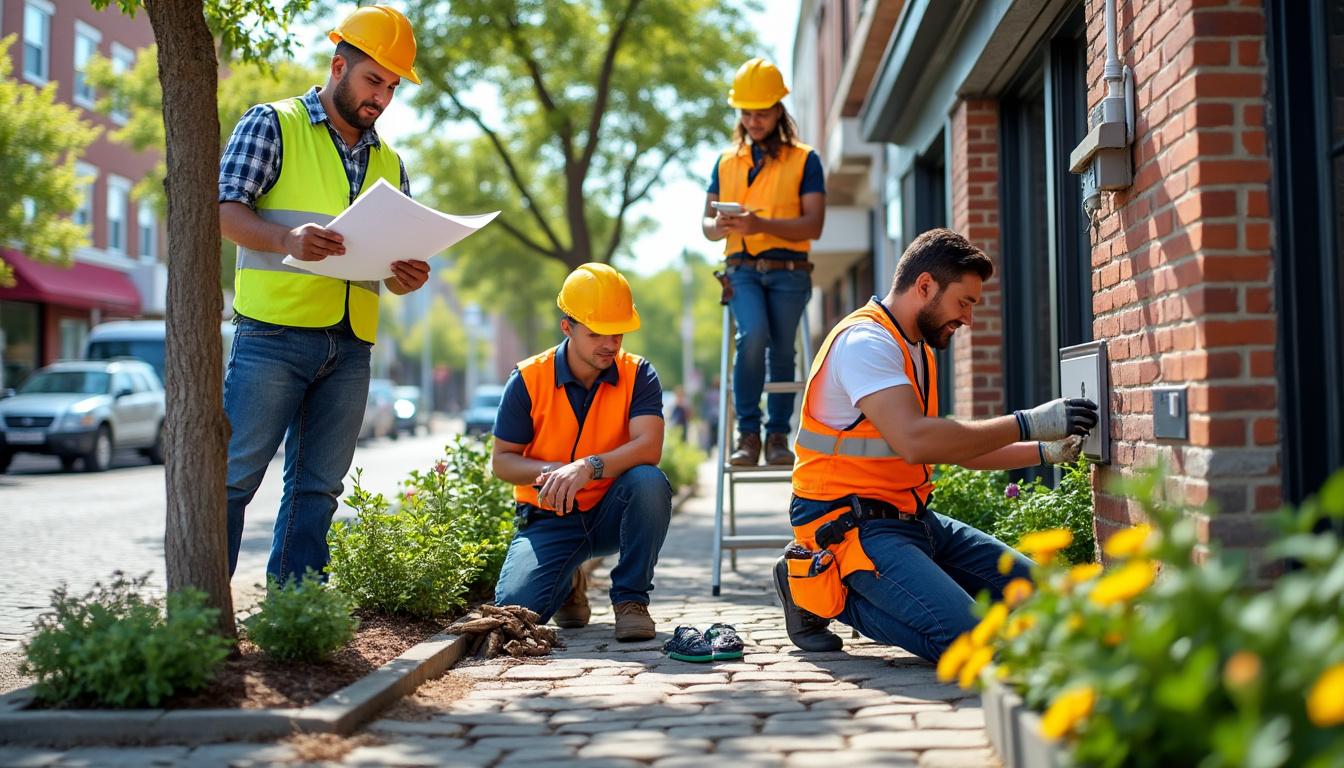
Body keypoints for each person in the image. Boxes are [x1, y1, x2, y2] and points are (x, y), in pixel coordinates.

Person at [773, 228, 1099, 661]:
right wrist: (1028, 423)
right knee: (970, 640)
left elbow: (953, 445)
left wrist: (1045, 450)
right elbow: (915, 441)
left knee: (1050, 600)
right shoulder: (865, 344)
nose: (969, 318)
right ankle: (814, 589)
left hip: (912, 520)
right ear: (925, 285)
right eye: (964, 302)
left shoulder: (917, 350)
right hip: (848, 528)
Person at [218, 5, 431, 584]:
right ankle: (204, 616)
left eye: (392, 87)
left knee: (318, 489)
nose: (381, 98)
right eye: (373, 81)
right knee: (234, 477)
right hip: (273, 334)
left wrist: (404, 276)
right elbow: (224, 211)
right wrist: (284, 238)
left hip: (351, 345)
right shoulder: (272, 124)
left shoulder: (390, 162)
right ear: (339, 67)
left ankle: (295, 611)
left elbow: (389, 264)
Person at [490, 263, 673, 642]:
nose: (610, 344)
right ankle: (570, 579)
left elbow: (649, 447)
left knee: (650, 481)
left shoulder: (639, 374)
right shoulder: (527, 379)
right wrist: (556, 470)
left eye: (617, 333)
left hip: (612, 513)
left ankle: (631, 600)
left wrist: (587, 467)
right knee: (518, 610)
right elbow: (502, 461)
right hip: (549, 517)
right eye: (596, 334)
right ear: (567, 327)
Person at [702, 57, 825, 468]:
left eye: (762, 113)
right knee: (753, 336)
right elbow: (706, 226)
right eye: (746, 113)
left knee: (783, 351)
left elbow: (814, 224)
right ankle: (749, 435)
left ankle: (777, 437)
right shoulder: (725, 162)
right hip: (741, 271)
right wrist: (719, 226)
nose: (753, 121)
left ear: (778, 111)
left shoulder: (805, 160)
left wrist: (759, 224)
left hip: (789, 271)